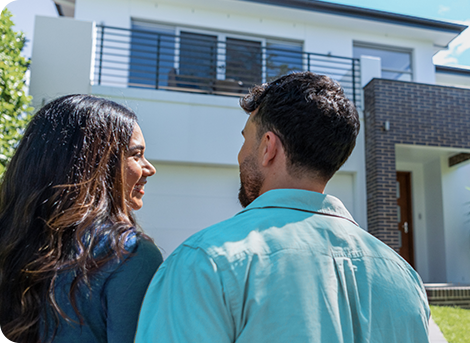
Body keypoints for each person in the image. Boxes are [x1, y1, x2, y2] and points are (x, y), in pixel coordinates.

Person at [135, 72, 430, 342]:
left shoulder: (204, 262)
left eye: (245, 140)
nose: (240, 155)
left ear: (268, 147)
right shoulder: (404, 275)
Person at [0, 95, 162, 343]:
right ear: (96, 165)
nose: (149, 168)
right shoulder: (130, 254)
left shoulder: (12, 240)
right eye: (136, 155)